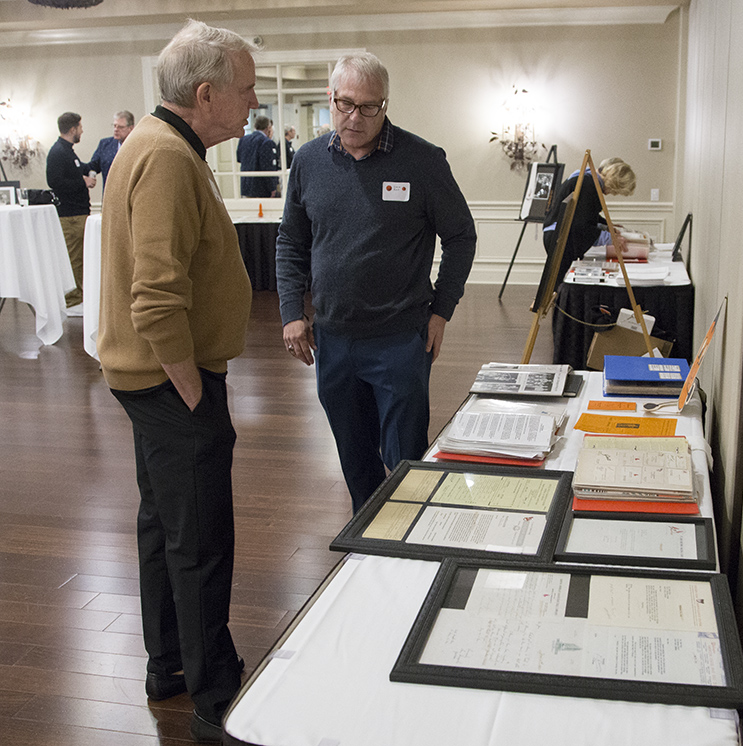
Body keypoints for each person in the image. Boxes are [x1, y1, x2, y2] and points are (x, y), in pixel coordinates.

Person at [96, 19, 257, 743]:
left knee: (164, 525)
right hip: (169, 385)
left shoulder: (159, 146)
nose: (252, 103)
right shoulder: (165, 156)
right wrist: (193, 391)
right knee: (199, 540)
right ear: (205, 94)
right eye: (246, 89)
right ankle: (217, 698)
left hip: (150, 381)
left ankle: (170, 666)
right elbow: (155, 295)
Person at [276, 52, 476, 514]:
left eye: (369, 107)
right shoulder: (308, 161)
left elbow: (461, 236)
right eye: (345, 104)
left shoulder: (422, 160)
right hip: (333, 338)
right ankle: (369, 544)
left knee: (405, 456)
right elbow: (291, 242)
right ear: (330, 99)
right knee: (353, 455)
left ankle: (414, 537)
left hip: (400, 338)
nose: (355, 117)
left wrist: (441, 310)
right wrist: (291, 313)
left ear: (385, 105)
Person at [542, 156, 636, 285]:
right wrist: (610, 239)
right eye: (615, 190)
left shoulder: (586, 176)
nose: (611, 194)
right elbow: (581, 226)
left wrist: (606, 226)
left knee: (557, 284)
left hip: (555, 235)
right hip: (560, 238)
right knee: (557, 286)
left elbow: (584, 214)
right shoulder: (588, 185)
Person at [46, 111, 97, 313]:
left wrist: (95, 165)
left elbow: (79, 168)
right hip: (70, 215)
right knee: (73, 258)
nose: (82, 131)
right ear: (73, 129)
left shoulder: (68, 151)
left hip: (79, 213)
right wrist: (82, 181)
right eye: (80, 127)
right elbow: (55, 182)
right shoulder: (58, 152)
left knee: (80, 258)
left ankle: (80, 296)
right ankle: (73, 301)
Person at [88, 110, 135, 190]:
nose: (116, 129)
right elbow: (93, 166)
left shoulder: (138, 146)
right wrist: (90, 175)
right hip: (109, 195)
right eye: (114, 126)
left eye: (120, 127)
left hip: (131, 195)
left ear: (131, 128)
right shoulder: (105, 144)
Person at [236, 114, 278, 197]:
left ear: (255, 125)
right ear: (268, 127)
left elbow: (239, 158)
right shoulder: (267, 142)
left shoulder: (243, 140)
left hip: (245, 184)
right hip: (261, 187)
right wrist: (272, 187)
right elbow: (267, 167)